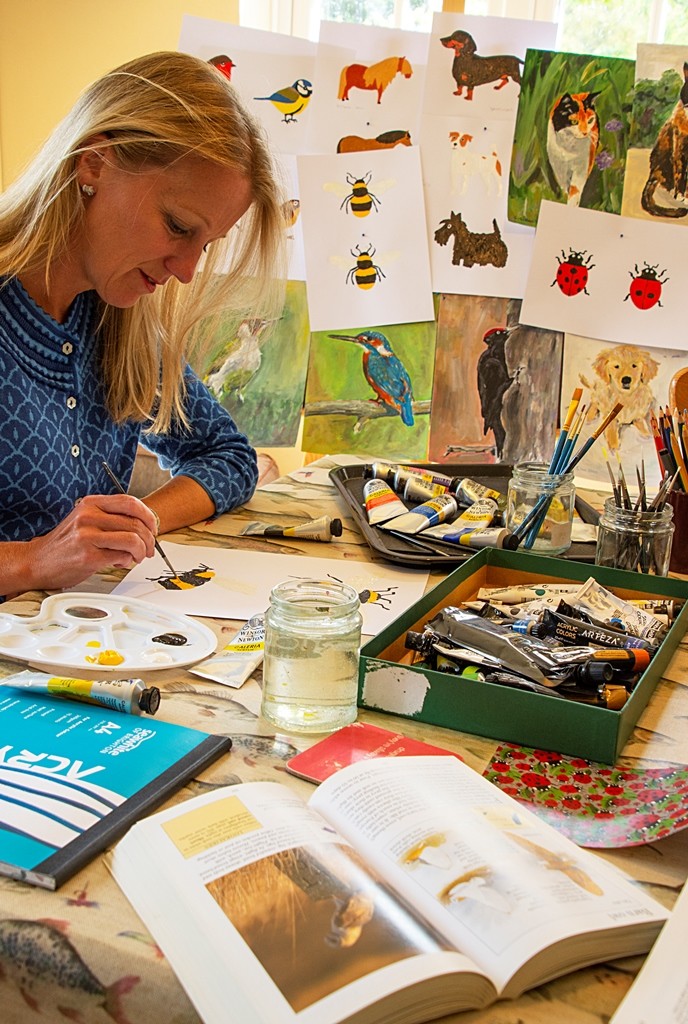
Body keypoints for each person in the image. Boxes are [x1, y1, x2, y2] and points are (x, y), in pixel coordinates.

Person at [0, 51, 286, 598]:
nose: (185, 272)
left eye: (206, 245)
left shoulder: (115, 319)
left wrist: (128, 527)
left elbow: (226, 456)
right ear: (93, 163)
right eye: (178, 227)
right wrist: (32, 561)